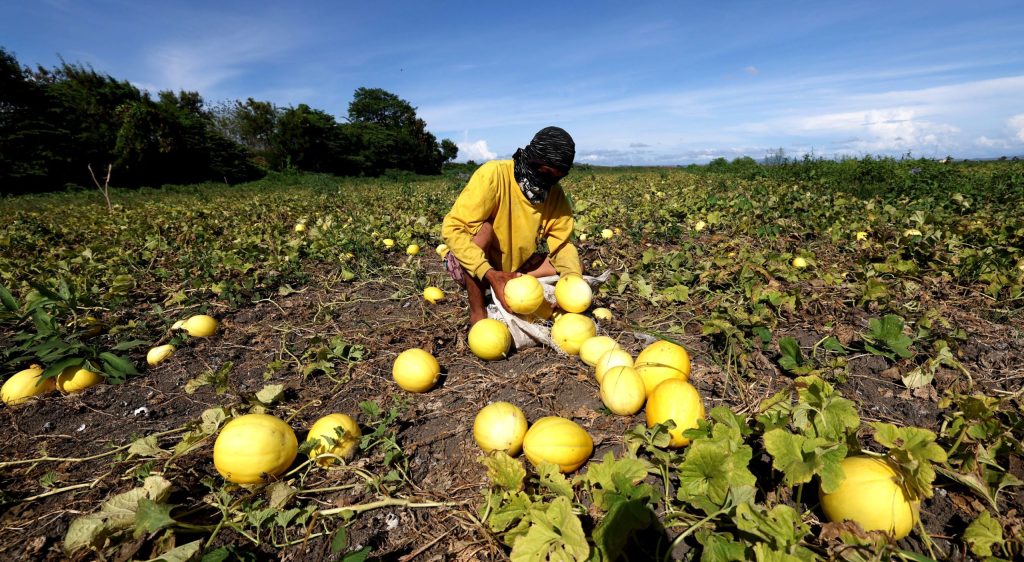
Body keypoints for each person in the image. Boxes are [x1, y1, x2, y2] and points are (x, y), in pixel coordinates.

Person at [441, 126, 582, 325]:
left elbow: (562, 244)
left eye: (555, 177)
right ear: (530, 158)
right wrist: (488, 272)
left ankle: (506, 279)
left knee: (572, 266)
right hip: (471, 264)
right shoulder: (494, 175)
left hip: (516, 264)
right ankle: (478, 311)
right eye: (543, 172)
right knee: (484, 231)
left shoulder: (554, 194)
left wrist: (570, 284)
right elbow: (453, 228)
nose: (546, 182)